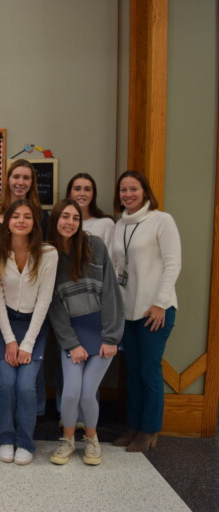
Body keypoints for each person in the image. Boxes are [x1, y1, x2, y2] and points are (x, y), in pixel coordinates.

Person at [46, 199, 124, 465]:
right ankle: (67, 439)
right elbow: (53, 305)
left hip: (102, 332)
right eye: (64, 217)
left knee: (88, 392)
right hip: (72, 335)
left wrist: (112, 337)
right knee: (70, 393)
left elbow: (112, 293)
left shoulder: (96, 246)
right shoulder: (49, 255)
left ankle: (91, 439)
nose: (69, 222)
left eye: (75, 218)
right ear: (55, 220)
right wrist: (70, 343)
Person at [111, 170, 181, 452]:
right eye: (123, 190)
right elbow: (119, 267)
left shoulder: (161, 220)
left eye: (133, 189)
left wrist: (160, 303)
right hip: (128, 311)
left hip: (155, 311)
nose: (128, 194)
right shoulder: (120, 225)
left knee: (149, 372)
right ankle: (134, 426)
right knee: (132, 372)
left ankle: (150, 429)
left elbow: (173, 264)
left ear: (145, 192)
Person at [0, 200, 58, 465]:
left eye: (27, 217)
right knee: (6, 382)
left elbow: (44, 301)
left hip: (34, 325)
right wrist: (10, 341)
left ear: (34, 223)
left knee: (26, 386)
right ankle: (5, 438)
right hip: (4, 324)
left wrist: (26, 344)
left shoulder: (48, 253)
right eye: (16, 216)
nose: (21, 221)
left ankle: (25, 442)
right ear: (7, 221)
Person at [0, 158, 47, 253]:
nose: (20, 182)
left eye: (26, 178)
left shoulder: (42, 216)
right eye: (16, 177)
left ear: (32, 182)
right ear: (8, 180)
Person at [65, 173, 114, 251]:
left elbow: (111, 259)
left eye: (87, 189)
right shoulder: (61, 223)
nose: (82, 193)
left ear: (93, 194)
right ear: (69, 192)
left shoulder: (106, 224)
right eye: (77, 189)